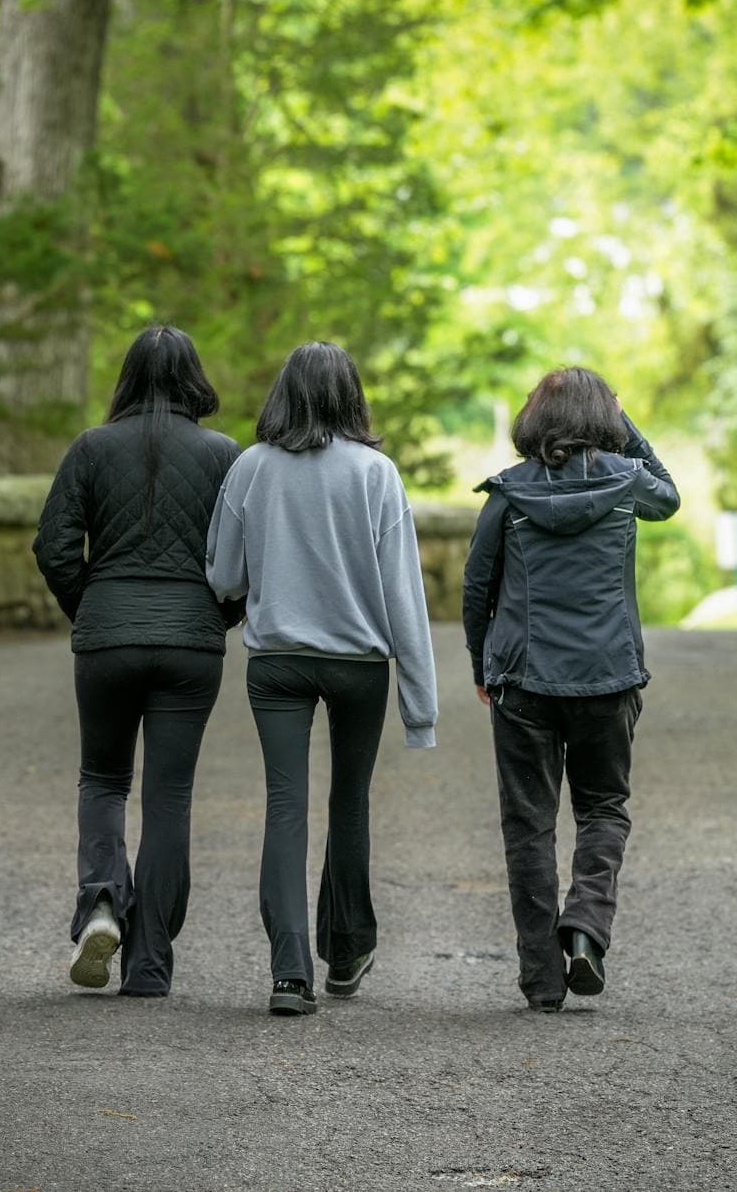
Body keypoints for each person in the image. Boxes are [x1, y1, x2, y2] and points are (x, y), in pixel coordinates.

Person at [206, 342, 438, 1017]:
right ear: (352, 396)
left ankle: (288, 973)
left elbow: (224, 577)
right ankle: (347, 947)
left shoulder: (250, 468)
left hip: (276, 662)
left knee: (286, 805)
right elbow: (404, 596)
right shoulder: (377, 474)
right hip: (359, 664)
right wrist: (419, 708)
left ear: (283, 394)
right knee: (348, 800)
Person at [32, 325, 243, 997]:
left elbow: (53, 545)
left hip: (107, 634)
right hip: (190, 638)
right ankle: (149, 963)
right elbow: (243, 558)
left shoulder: (91, 448)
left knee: (102, 779)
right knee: (169, 796)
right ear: (194, 378)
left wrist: (91, 607)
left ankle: (100, 903)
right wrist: (218, 614)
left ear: (126, 377)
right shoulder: (224, 456)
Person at [461, 367, 680, 1012]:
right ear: (603, 423)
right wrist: (624, 419)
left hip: (524, 682)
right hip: (608, 678)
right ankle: (585, 927)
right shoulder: (625, 483)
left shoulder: (506, 495)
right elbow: (668, 496)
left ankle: (541, 979)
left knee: (528, 826)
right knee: (603, 807)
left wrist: (481, 665)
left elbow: (477, 586)